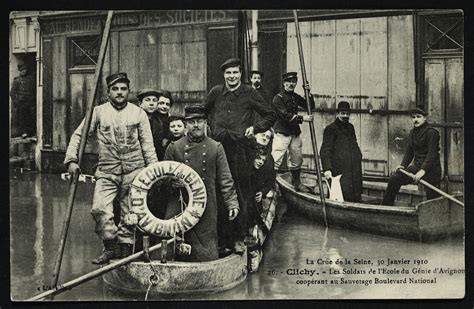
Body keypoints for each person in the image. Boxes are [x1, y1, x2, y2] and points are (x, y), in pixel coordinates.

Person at [64, 72, 158, 264]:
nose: (119, 92)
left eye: (123, 89)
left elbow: (148, 145)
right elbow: (79, 136)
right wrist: (72, 160)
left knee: (130, 213)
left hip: (135, 170)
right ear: (108, 92)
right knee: (100, 209)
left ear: (128, 91)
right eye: (115, 89)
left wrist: (153, 172)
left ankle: (125, 250)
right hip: (107, 170)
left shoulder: (138, 113)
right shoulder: (98, 112)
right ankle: (110, 246)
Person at [203, 57, 276, 253]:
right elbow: (203, 111)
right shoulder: (216, 92)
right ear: (223, 75)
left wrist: (256, 128)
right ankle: (219, 238)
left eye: (235, 72)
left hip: (241, 150)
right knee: (218, 190)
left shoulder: (249, 93)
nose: (232, 76)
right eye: (228, 73)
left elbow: (270, 114)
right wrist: (209, 129)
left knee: (241, 192)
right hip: (218, 148)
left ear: (240, 74)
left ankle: (238, 237)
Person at [164, 104, 240, 262]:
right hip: (179, 202)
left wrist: (232, 202)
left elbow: (225, 179)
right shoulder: (174, 147)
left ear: (206, 123)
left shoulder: (216, 147)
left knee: (205, 249)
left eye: (199, 121)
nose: (196, 125)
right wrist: (172, 182)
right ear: (186, 125)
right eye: (192, 122)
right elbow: (162, 178)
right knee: (172, 242)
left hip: (206, 203)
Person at [381, 106, 441, 205]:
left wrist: (423, 170)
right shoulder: (412, 133)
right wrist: (403, 165)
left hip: (431, 170)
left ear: (425, 118)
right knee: (395, 178)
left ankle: (435, 217)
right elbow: (409, 152)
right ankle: (386, 207)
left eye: (418, 116)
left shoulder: (432, 133)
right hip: (416, 167)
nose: (415, 120)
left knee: (433, 198)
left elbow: (432, 154)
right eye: (413, 117)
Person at [271, 72, 314, 193]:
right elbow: (285, 115)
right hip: (282, 133)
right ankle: (269, 185)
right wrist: (302, 119)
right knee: (276, 159)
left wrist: (308, 93)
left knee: (297, 159)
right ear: (284, 83)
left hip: (294, 133)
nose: (291, 84)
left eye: (293, 82)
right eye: (288, 82)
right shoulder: (277, 98)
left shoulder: (295, 97)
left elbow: (310, 106)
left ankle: (297, 183)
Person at [319, 101, 363, 202]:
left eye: (347, 113)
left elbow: (354, 143)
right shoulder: (330, 129)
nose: (345, 116)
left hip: (354, 170)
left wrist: (358, 156)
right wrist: (327, 169)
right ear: (337, 114)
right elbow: (325, 150)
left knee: (355, 195)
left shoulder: (350, 127)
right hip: (339, 171)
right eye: (343, 113)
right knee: (339, 196)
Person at [10, 62, 36, 137]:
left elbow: (34, 90)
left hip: (30, 102)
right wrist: (17, 101)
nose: (23, 71)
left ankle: (31, 132)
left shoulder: (30, 79)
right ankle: (23, 132)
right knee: (22, 118)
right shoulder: (16, 80)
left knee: (31, 117)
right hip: (21, 103)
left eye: (24, 69)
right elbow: (12, 93)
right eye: (22, 70)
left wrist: (32, 100)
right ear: (19, 70)